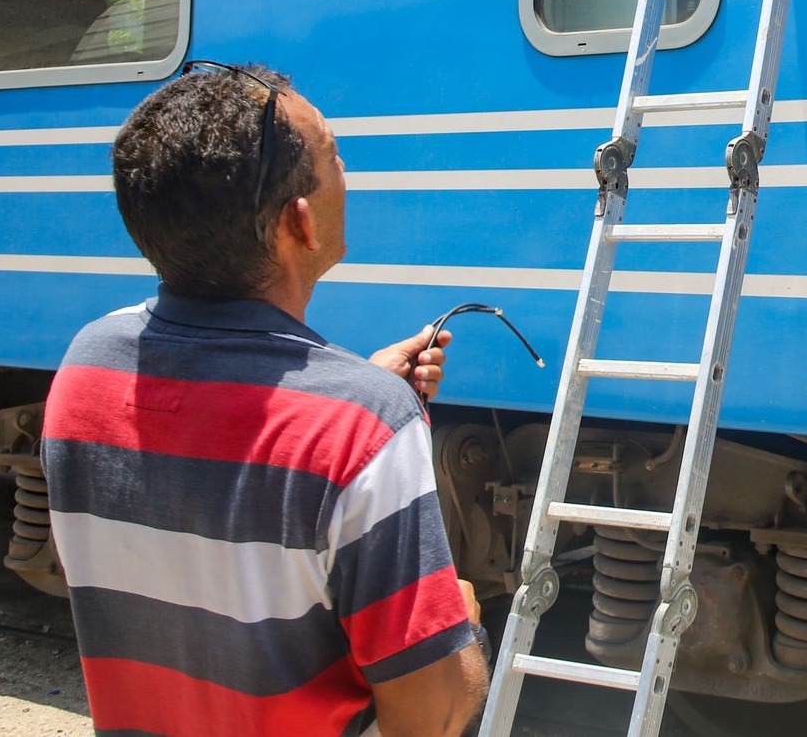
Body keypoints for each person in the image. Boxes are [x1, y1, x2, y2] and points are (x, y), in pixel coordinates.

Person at [41, 62, 490, 737]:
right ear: (299, 224)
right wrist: (464, 628)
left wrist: (351, 400)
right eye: (335, 156)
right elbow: (431, 715)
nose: (348, 173)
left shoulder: (87, 369)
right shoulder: (366, 426)